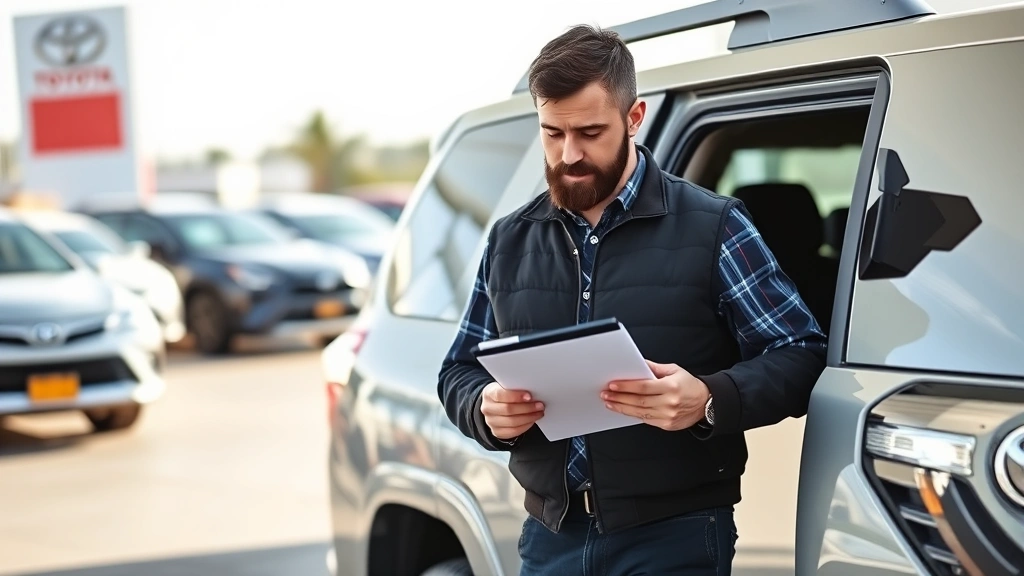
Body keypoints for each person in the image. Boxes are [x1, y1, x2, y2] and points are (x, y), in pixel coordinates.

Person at [437, 24, 827, 576]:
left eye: (590, 132)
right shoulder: (509, 240)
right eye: (552, 133)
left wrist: (710, 399)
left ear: (634, 118)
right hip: (550, 539)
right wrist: (483, 408)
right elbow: (458, 370)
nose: (568, 154)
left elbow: (802, 351)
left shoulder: (715, 226)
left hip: (677, 538)